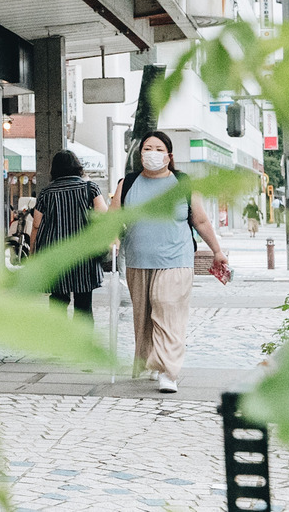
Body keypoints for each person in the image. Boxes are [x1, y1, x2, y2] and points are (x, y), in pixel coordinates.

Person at [111, 131, 228, 394]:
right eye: (147, 149)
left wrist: (217, 251)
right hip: (139, 260)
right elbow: (113, 217)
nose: (152, 153)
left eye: (158, 149)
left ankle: (168, 371)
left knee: (168, 311)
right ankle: (149, 363)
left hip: (176, 259)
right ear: (140, 154)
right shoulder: (128, 183)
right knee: (144, 319)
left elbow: (200, 221)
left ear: (169, 155)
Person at [30, 151, 108, 319]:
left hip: (55, 255)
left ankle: (59, 341)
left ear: (54, 170)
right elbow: (103, 217)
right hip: (84, 256)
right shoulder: (90, 188)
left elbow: (36, 225)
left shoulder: (46, 193)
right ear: (77, 167)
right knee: (84, 305)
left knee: (58, 302)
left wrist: (32, 254)